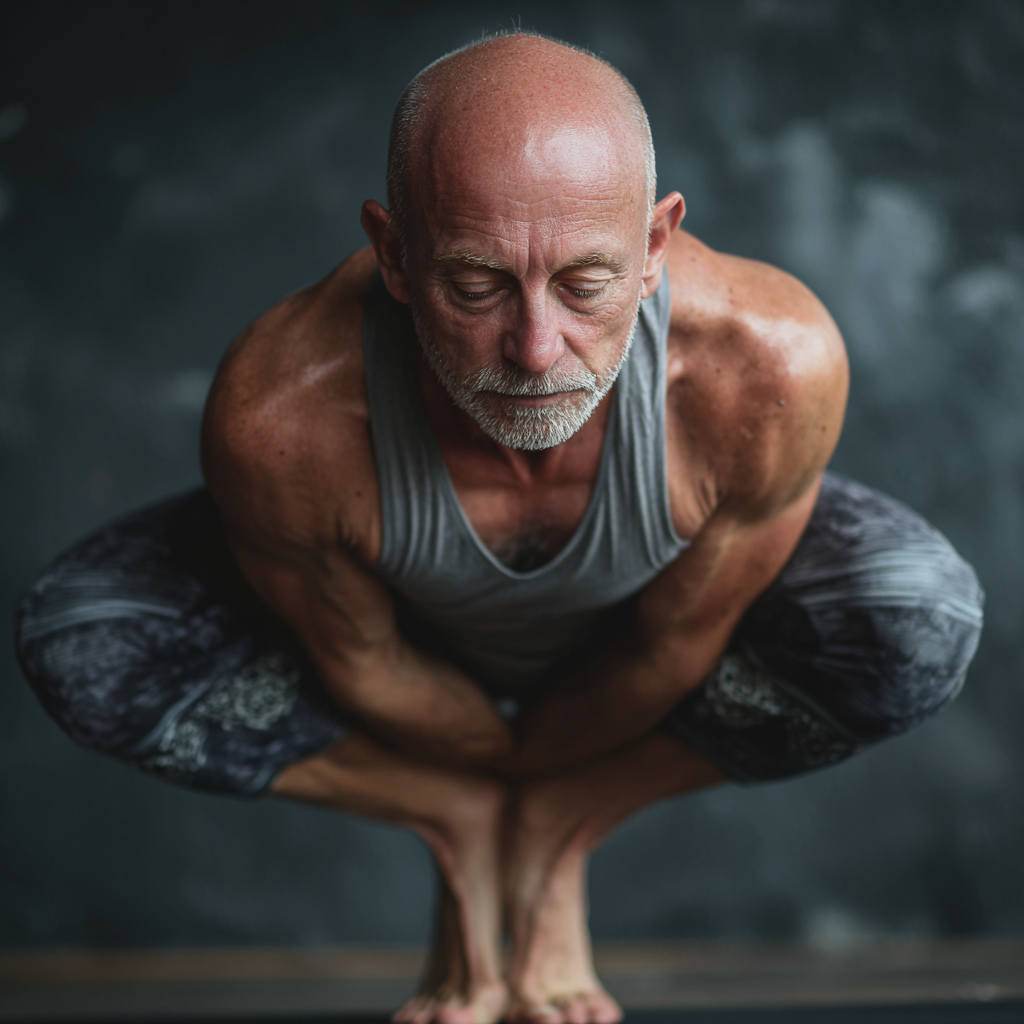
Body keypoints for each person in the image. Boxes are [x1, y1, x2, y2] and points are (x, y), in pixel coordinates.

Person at [16, 32, 983, 1024]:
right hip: (402, 664)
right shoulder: (282, 413)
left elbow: (670, 649)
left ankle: (568, 821)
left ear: (655, 245)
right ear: (395, 254)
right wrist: (475, 787)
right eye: (476, 288)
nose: (535, 348)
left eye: (585, 285)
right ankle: (453, 820)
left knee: (914, 619)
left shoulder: (768, 363)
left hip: (637, 654)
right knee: (84, 643)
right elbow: (365, 664)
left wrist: (551, 797)